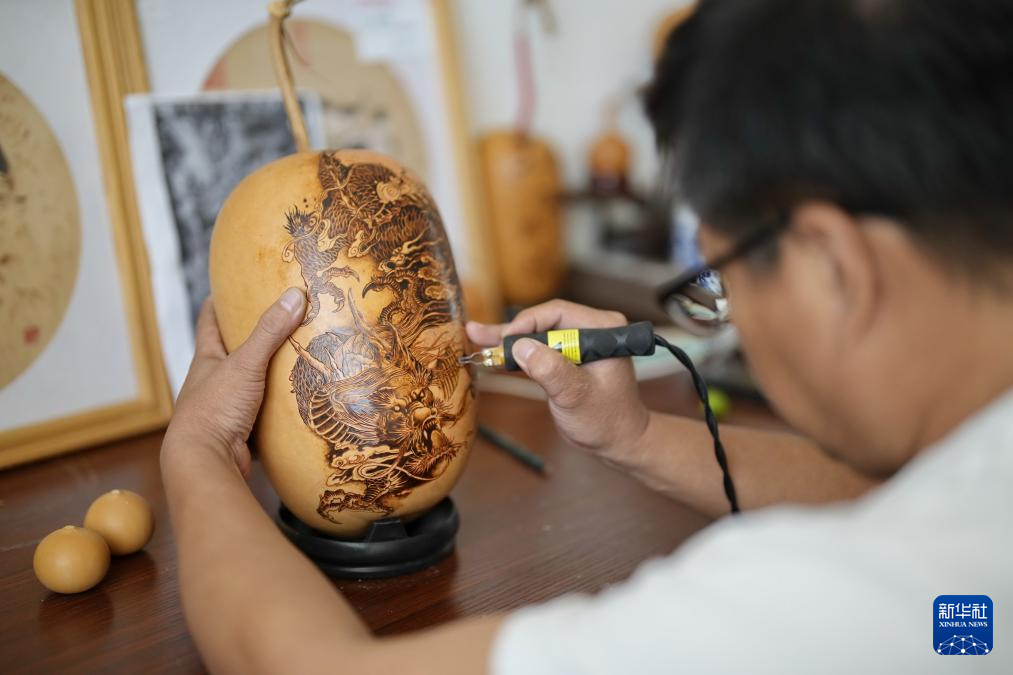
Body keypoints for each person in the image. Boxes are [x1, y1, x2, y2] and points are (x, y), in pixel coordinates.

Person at [160, 0, 1012, 672]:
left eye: (718, 281)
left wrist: (196, 455)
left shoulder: (845, 609)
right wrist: (636, 436)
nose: (732, 319)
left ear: (832, 264)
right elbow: (891, 500)